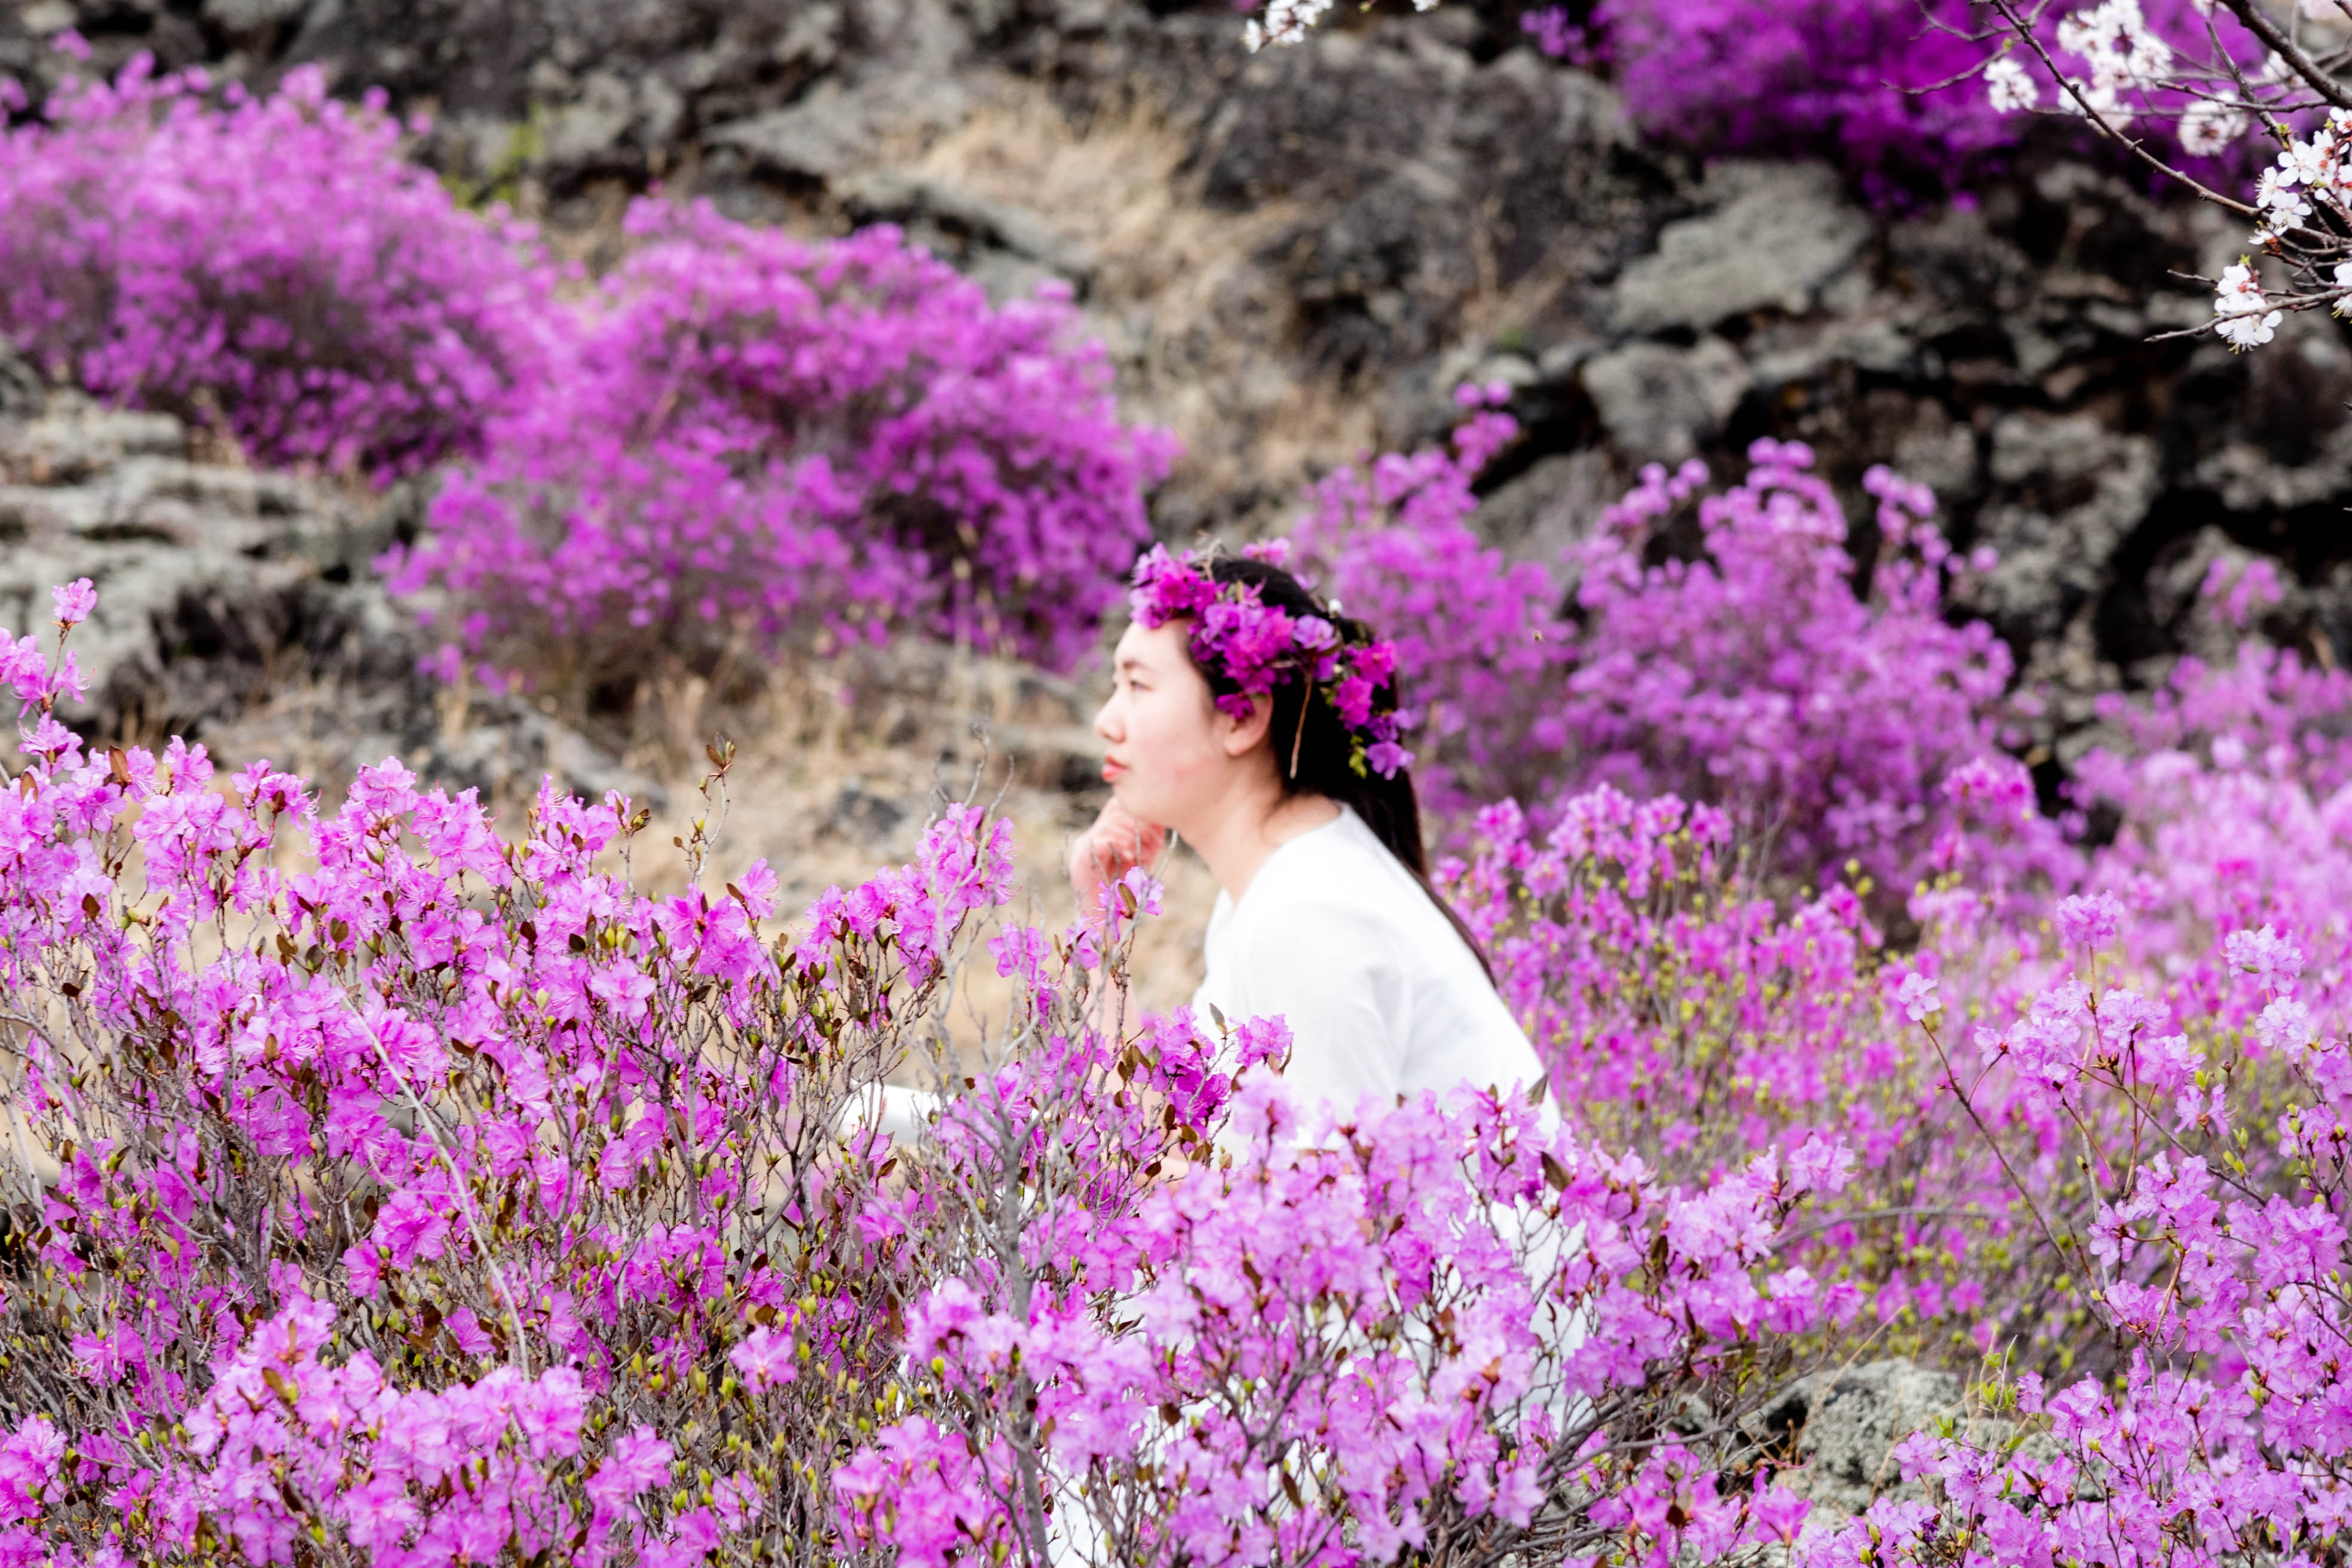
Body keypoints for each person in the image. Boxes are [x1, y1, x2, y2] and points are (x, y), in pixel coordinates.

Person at [1068, 544, 1548, 1128]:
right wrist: (1101, 922)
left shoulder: (1308, 913)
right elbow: (1168, 1148)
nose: (1106, 720)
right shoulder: (1280, 879)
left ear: (1243, 716)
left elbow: (1318, 1210)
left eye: (1138, 686)